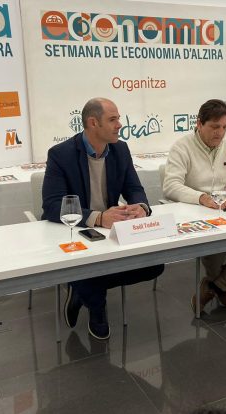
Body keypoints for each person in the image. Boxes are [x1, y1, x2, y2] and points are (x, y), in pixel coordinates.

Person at [41, 97, 164, 339]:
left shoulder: (120, 149)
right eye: (113, 119)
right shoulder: (61, 154)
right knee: (88, 264)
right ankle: (97, 308)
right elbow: (52, 205)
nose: (120, 124)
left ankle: (80, 287)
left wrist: (141, 207)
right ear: (93, 123)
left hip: (111, 230)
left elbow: (134, 188)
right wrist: (98, 218)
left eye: (118, 118)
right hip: (77, 229)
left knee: (154, 265)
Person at [163, 99, 226, 312]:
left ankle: (217, 285)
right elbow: (171, 186)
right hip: (195, 213)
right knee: (216, 243)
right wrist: (201, 197)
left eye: (224, 127)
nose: (220, 133)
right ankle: (222, 286)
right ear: (199, 123)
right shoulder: (182, 147)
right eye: (214, 127)